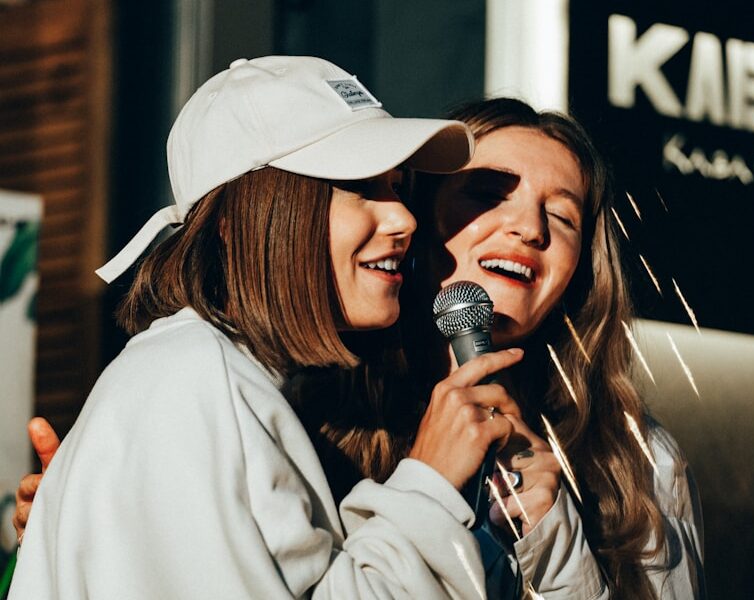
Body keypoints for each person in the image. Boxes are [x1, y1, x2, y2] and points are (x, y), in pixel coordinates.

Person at [14, 97, 705, 598]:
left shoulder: (635, 458)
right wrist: (110, 517)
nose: (527, 226)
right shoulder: (306, 411)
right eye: (487, 195)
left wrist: (554, 538)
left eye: (562, 216)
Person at [8, 55, 531, 599]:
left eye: (397, 186)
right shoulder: (191, 379)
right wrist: (429, 486)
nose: (404, 218)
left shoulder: (225, 381)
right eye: (360, 186)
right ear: (245, 218)